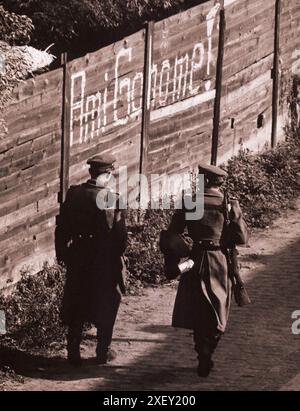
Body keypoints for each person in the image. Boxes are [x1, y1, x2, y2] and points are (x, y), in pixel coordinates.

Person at [167, 163, 249, 377]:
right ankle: (207, 349)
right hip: (220, 260)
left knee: (196, 306)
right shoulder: (228, 204)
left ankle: (201, 350)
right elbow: (241, 239)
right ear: (221, 182)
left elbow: (172, 234)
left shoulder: (190, 202)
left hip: (193, 260)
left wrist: (175, 260)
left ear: (201, 181)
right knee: (219, 307)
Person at [55, 155, 127, 366]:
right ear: (108, 173)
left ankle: (73, 351)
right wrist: (117, 257)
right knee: (107, 302)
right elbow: (119, 236)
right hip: (103, 260)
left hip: (78, 256)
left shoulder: (74, 193)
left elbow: (62, 229)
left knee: (77, 300)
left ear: (90, 173)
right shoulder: (111, 198)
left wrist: (63, 255)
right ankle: (102, 351)